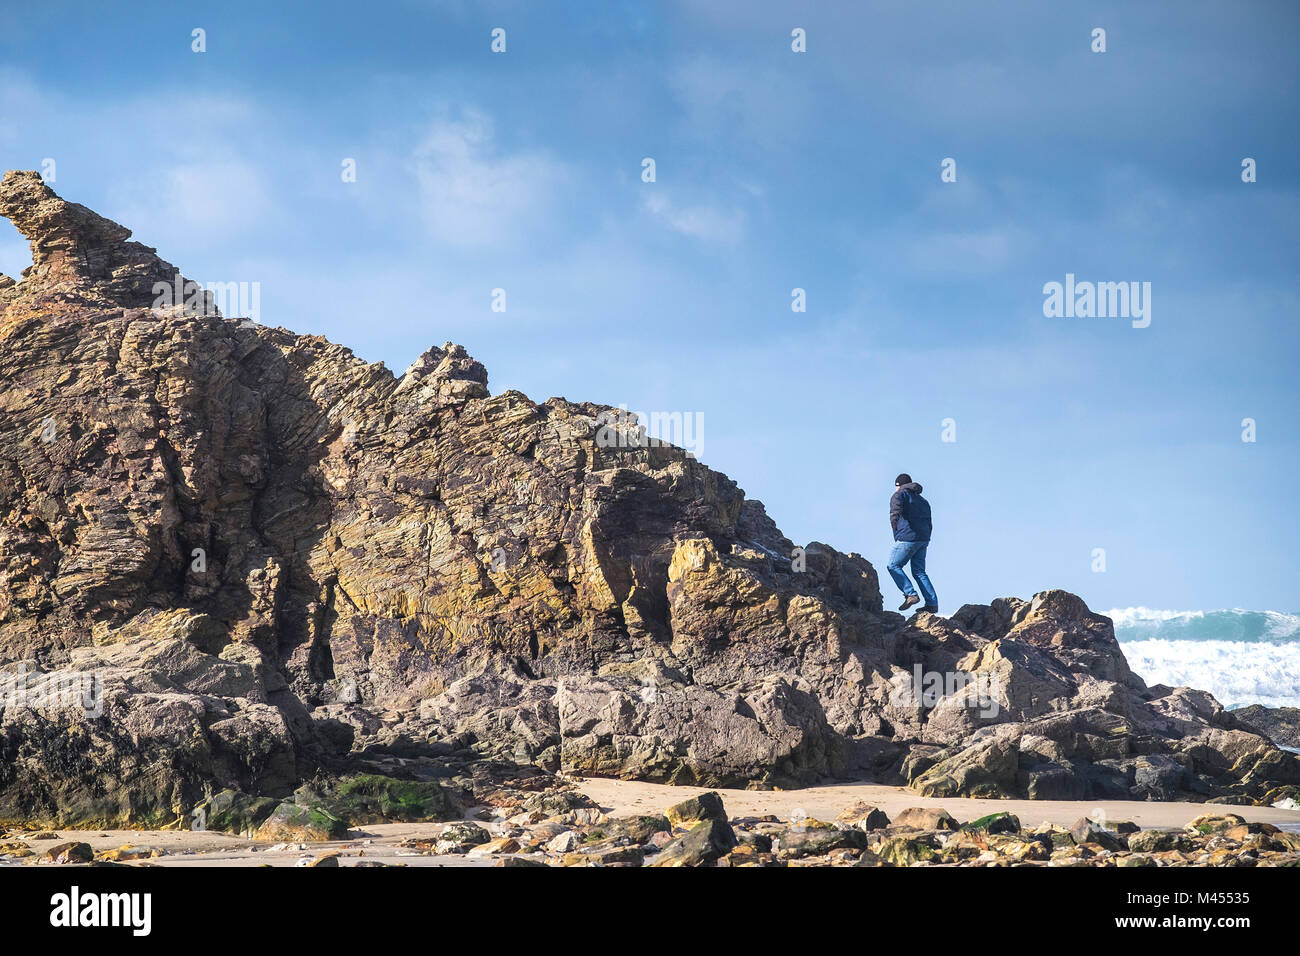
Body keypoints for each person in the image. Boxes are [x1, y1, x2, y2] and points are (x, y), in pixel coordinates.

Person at [887, 473, 938, 614]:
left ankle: (911, 594)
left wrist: (895, 526)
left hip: (907, 538)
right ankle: (932, 603)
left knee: (893, 565)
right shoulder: (923, 501)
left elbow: (894, 512)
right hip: (923, 539)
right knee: (919, 571)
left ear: (898, 485)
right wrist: (926, 538)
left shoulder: (899, 495)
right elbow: (930, 522)